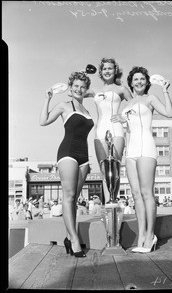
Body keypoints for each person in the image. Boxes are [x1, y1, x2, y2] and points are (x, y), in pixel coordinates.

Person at [112, 66, 172, 253]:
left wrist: (165, 90)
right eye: (135, 79)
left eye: (142, 79)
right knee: (136, 195)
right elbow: (126, 124)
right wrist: (120, 120)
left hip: (147, 148)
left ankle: (150, 235)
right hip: (131, 152)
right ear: (130, 83)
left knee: (147, 194)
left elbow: (169, 113)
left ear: (147, 82)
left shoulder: (150, 98)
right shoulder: (127, 105)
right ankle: (141, 236)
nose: (138, 82)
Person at [40, 68, 95, 257]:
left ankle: (67, 236)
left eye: (83, 87)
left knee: (74, 201)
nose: (79, 89)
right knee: (69, 197)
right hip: (68, 153)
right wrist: (48, 98)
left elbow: (93, 93)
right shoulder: (65, 105)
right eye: (76, 86)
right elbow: (43, 120)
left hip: (84, 157)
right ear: (70, 88)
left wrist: (83, 87)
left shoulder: (86, 109)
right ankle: (74, 240)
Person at [84, 58, 132, 203]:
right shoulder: (94, 90)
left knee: (115, 166)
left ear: (115, 70)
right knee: (104, 169)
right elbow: (75, 91)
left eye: (110, 68)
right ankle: (107, 203)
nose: (107, 71)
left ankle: (114, 201)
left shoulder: (122, 89)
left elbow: (135, 106)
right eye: (104, 69)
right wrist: (82, 73)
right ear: (100, 71)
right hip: (99, 131)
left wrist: (124, 117)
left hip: (116, 129)